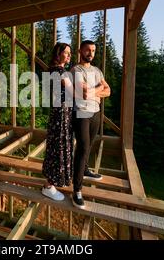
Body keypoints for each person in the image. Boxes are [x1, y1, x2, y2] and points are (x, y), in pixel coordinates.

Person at [70, 40, 111, 209]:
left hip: (95, 112)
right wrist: (98, 89)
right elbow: (84, 93)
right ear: (80, 51)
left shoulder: (97, 70)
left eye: (93, 50)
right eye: (87, 50)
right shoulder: (76, 70)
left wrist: (97, 91)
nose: (91, 53)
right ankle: (77, 190)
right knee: (83, 147)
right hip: (81, 113)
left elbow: (109, 91)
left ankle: (85, 170)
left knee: (90, 144)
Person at [41, 43, 74, 201]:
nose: (69, 55)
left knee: (56, 145)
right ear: (58, 53)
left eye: (70, 53)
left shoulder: (53, 70)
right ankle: (48, 186)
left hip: (59, 113)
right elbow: (75, 92)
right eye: (66, 52)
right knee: (57, 146)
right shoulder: (59, 71)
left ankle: (51, 182)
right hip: (60, 114)